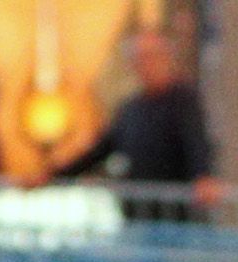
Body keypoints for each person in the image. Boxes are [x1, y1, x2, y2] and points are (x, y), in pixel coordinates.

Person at [50, 17, 217, 213]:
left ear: (166, 57)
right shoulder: (131, 108)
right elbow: (100, 150)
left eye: (152, 56)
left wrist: (204, 178)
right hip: (137, 214)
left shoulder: (184, 101)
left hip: (175, 216)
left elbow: (197, 145)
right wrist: (53, 175)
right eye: (141, 58)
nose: (147, 65)